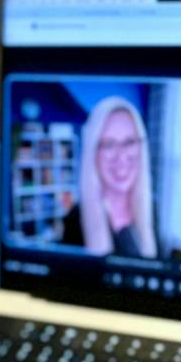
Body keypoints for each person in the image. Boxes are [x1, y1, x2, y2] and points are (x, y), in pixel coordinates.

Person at [61, 96, 158, 258]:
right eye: (109, 144)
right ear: (93, 153)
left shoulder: (152, 209)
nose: (121, 157)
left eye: (129, 142)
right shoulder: (76, 219)